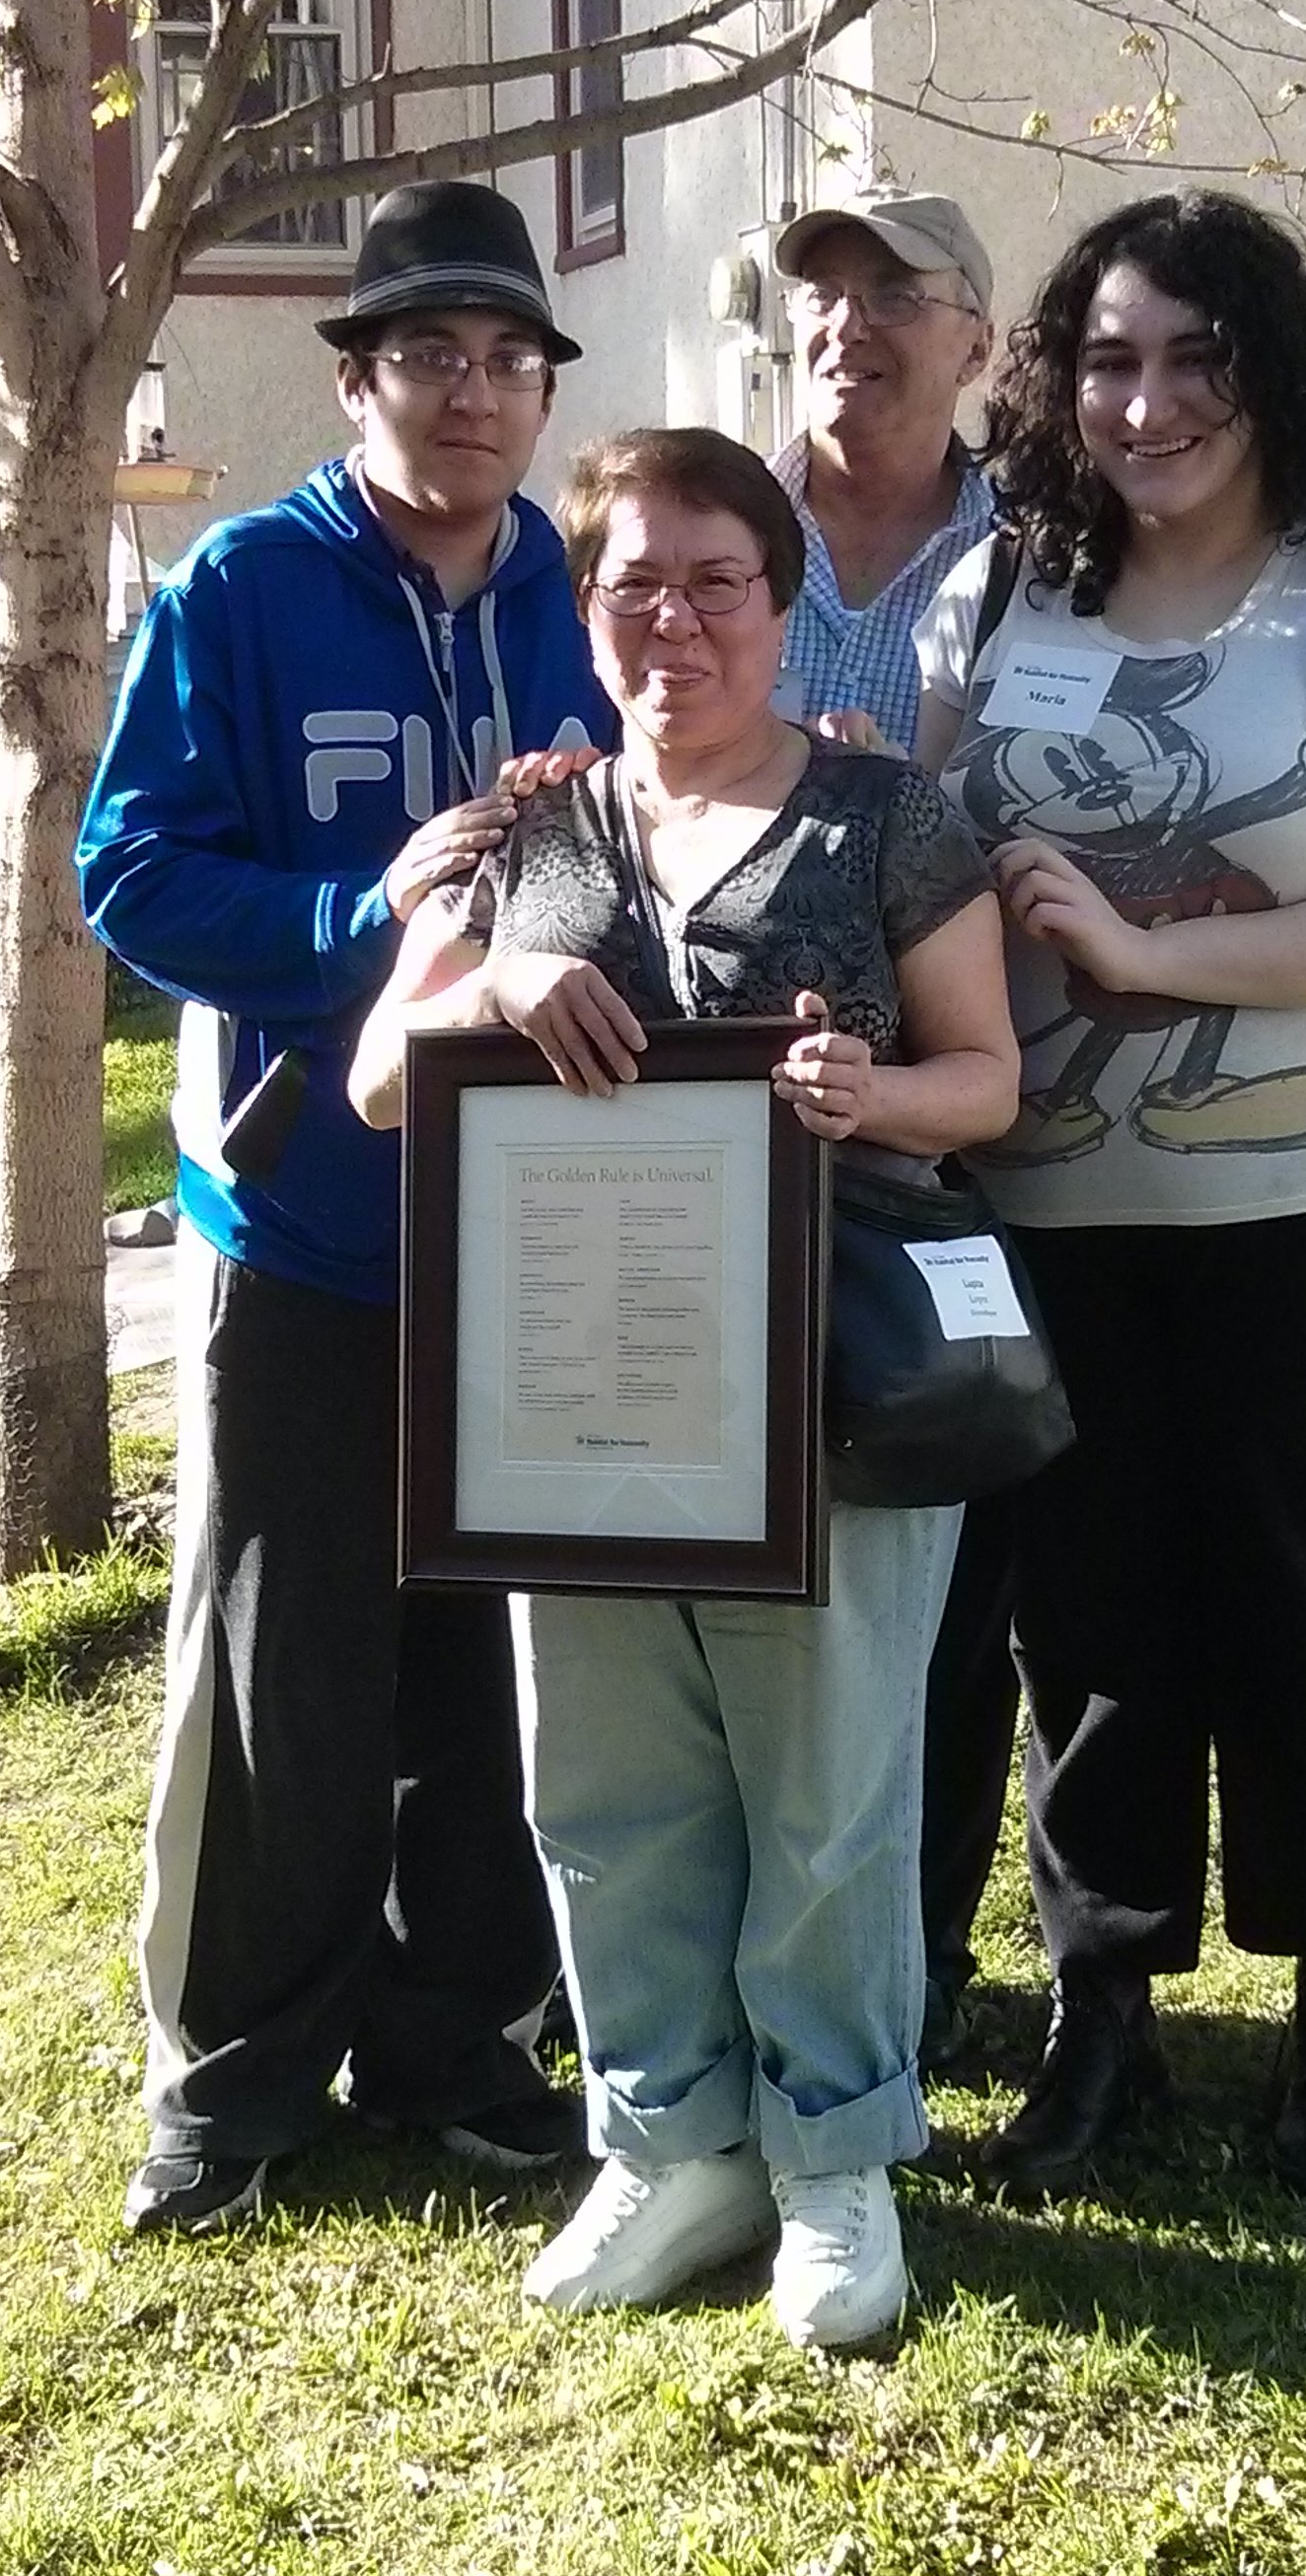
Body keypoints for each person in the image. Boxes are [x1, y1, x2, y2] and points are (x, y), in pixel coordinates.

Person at [349, 426, 1022, 2347]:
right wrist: (485, 992)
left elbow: (991, 1081)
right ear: (590, 607)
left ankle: (830, 2161)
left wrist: (868, 1095)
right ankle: (667, 2143)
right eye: (633, 580)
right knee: (612, 1787)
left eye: (715, 578)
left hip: (822, 1400)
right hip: (575, 1389)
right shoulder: (528, 831)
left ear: (780, 596)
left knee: (827, 1793)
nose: (675, 616)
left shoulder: (893, 820)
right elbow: (379, 1078)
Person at [911, 189, 1306, 2201]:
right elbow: (918, 863)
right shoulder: (1001, 599)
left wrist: (1152, 960)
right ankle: (1108, 2019)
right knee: (1088, 1620)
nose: (1147, 404)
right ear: (1059, 386)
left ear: (1270, 371)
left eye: (1193, 358)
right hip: (1054, 1206)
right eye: (1109, 361)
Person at [78, 181, 617, 2235]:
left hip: (532, 1224)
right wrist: (353, 908)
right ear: (360, 379)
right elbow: (126, 876)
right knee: (277, 1668)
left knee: (493, 1662)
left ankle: (461, 2033)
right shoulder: (244, 587)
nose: (473, 397)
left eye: (508, 361)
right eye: (429, 357)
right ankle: (234, 2073)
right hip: (304, 1215)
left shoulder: (570, 587)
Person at [765, 190, 1017, 2065]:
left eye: (898, 296)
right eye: (827, 297)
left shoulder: (1049, 550)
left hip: (968, 1115)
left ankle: (915, 1957)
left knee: (939, 1540)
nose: (851, 323)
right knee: (730, 1552)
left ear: (980, 345)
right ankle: (729, 1945)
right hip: (719, 1139)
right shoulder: (712, 534)